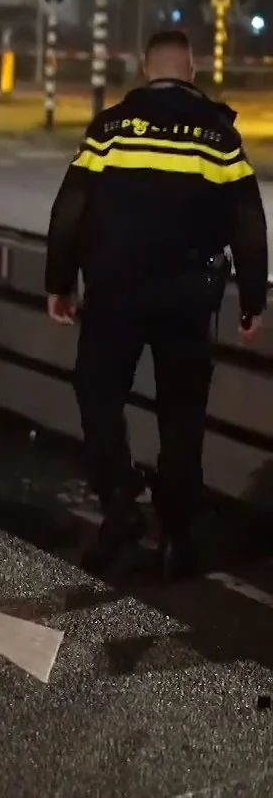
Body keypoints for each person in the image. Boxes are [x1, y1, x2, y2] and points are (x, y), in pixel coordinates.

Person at [44, 28, 267, 580]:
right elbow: (249, 223)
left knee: (97, 397)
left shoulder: (112, 128)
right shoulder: (218, 135)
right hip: (188, 300)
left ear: (146, 71)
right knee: (182, 418)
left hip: (115, 294)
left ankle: (120, 506)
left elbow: (69, 206)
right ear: (190, 73)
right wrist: (252, 300)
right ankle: (178, 540)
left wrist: (59, 281)